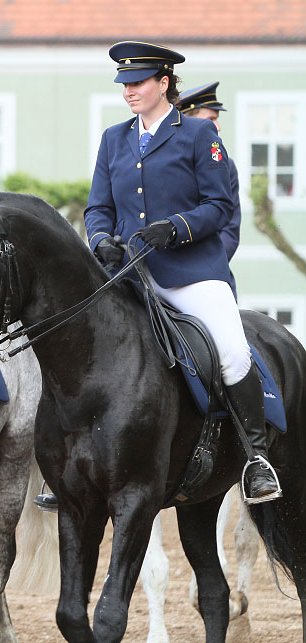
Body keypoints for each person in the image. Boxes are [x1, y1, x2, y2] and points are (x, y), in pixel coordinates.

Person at [81, 42, 279, 505]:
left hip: (190, 271)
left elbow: (219, 206)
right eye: (124, 84)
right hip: (128, 273)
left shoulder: (197, 135)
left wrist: (175, 228)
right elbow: (98, 207)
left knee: (231, 351)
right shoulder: (114, 139)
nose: (128, 91)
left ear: (163, 82)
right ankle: (68, 468)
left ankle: (257, 459)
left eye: (137, 83)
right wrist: (100, 240)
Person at [176, 82, 241, 277]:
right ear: (188, 120)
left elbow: (230, 230)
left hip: (208, 271)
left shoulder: (225, 165)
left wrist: (208, 268)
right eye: (211, 119)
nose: (218, 127)